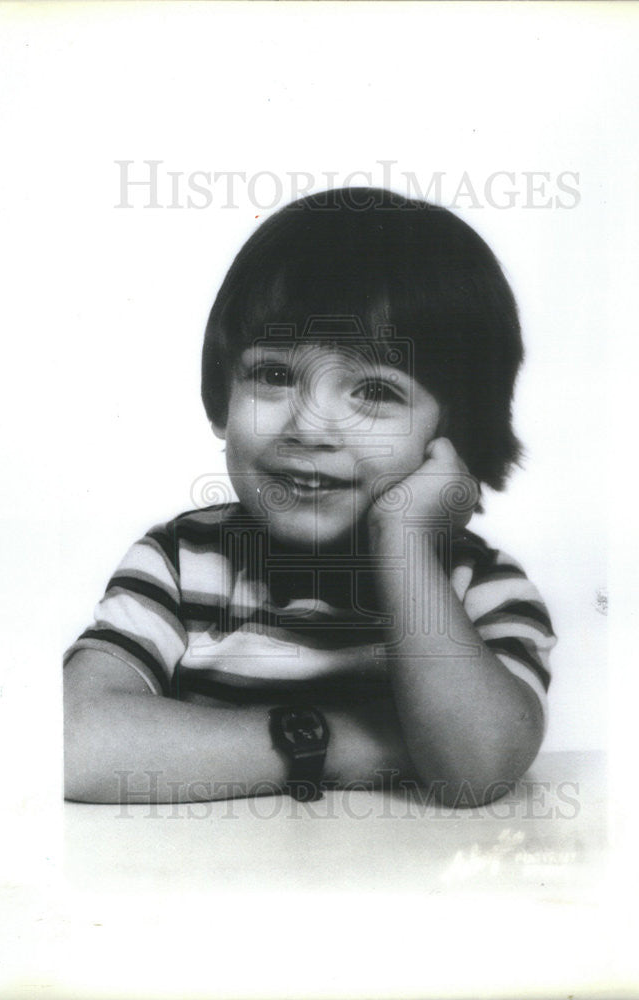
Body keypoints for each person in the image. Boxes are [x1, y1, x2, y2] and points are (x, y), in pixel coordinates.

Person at [63, 187, 556, 808]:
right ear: (221, 398)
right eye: (273, 375)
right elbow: (74, 746)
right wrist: (354, 741)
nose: (310, 428)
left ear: (452, 437)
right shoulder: (180, 563)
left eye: (375, 392)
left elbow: (475, 770)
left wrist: (403, 540)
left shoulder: (477, 587)